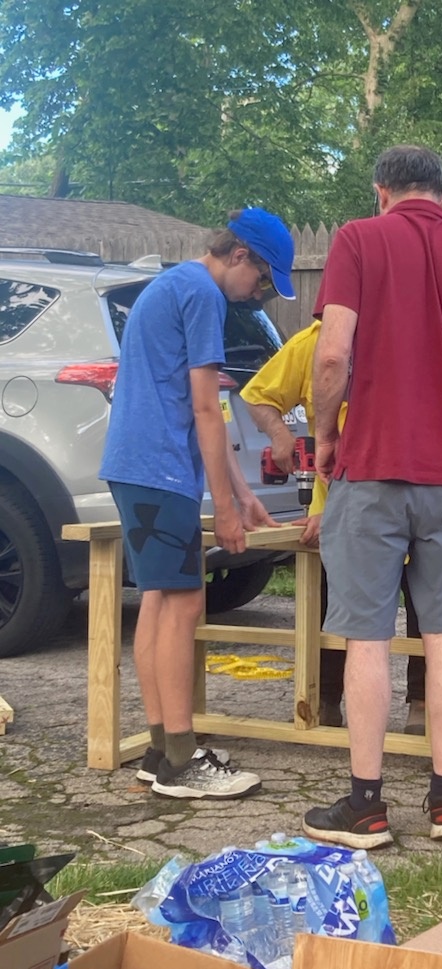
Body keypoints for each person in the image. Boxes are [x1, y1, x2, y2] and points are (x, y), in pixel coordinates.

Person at [303, 144, 442, 848]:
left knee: (367, 637)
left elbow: (333, 353)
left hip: (372, 473)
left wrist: (324, 435)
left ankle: (366, 807)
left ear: (382, 191)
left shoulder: (358, 240)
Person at [100, 207, 296, 799]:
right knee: (184, 604)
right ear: (239, 256)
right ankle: (183, 762)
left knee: (161, 600)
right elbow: (208, 409)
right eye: (262, 279)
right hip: (159, 468)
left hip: (139, 466)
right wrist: (229, 508)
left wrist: (241, 494)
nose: (258, 293)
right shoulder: (204, 296)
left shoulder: (174, 283)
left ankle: (162, 752)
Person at [239, 319, 429, 733]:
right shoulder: (313, 342)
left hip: (412, 496)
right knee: (336, 607)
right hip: (337, 507)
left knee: (425, 603)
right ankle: (324, 699)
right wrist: (280, 434)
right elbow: (257, 395)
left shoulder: (413, 332)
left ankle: (422, 704)